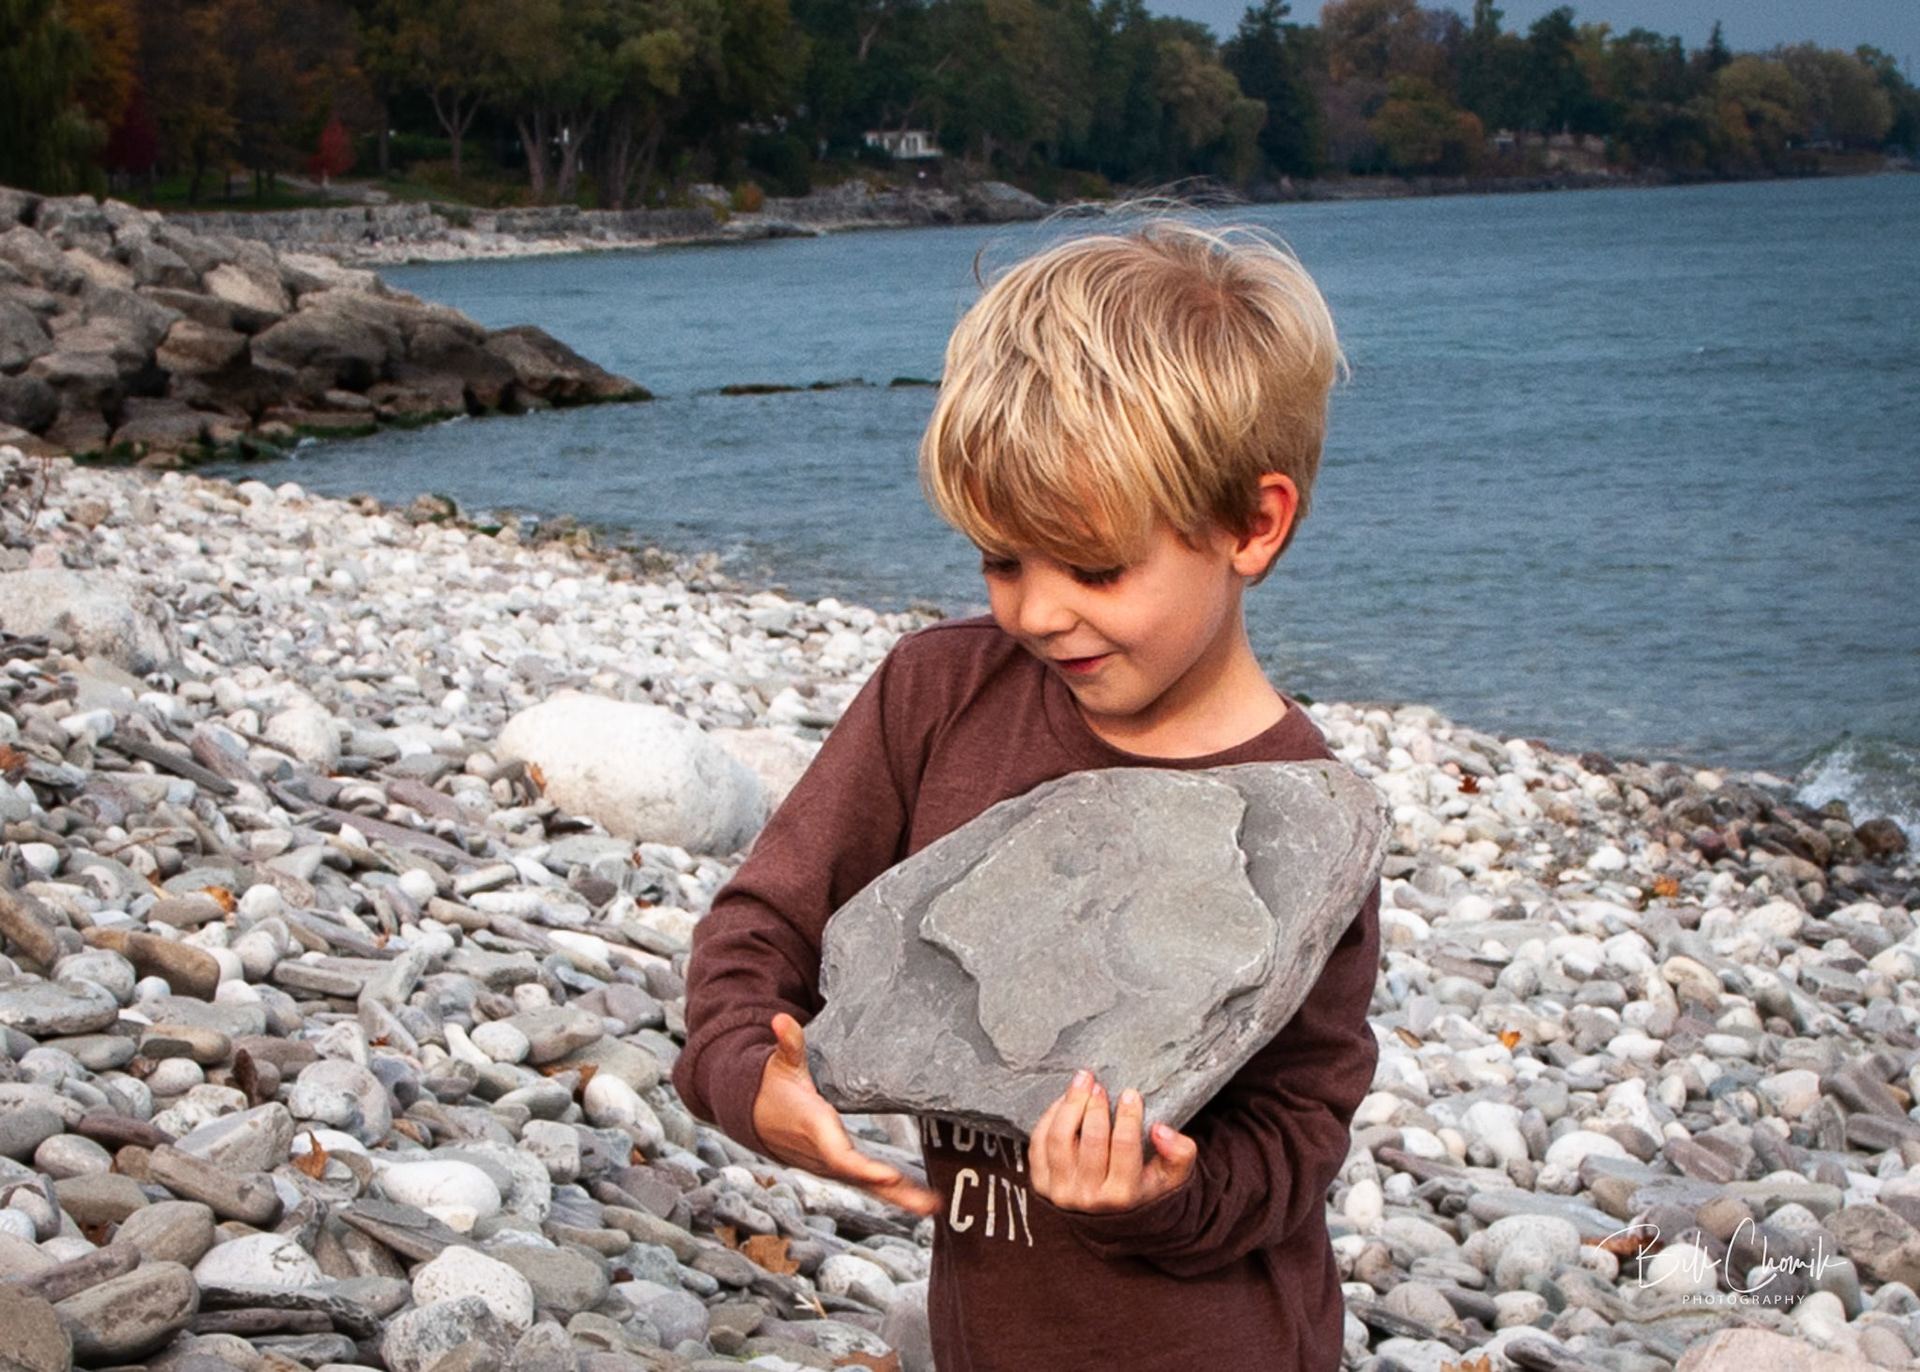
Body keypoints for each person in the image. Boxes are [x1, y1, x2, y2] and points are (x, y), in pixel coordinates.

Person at [673, 219, 1380, 1371]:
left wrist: (1159, 1195)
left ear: (1254, 525)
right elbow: (764, 923)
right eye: (1001, 558)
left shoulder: (1303, 824)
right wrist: (749, 1072)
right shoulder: (936, 696)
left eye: (1095, 567)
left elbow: (1301, 1127)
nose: (1039, 612)